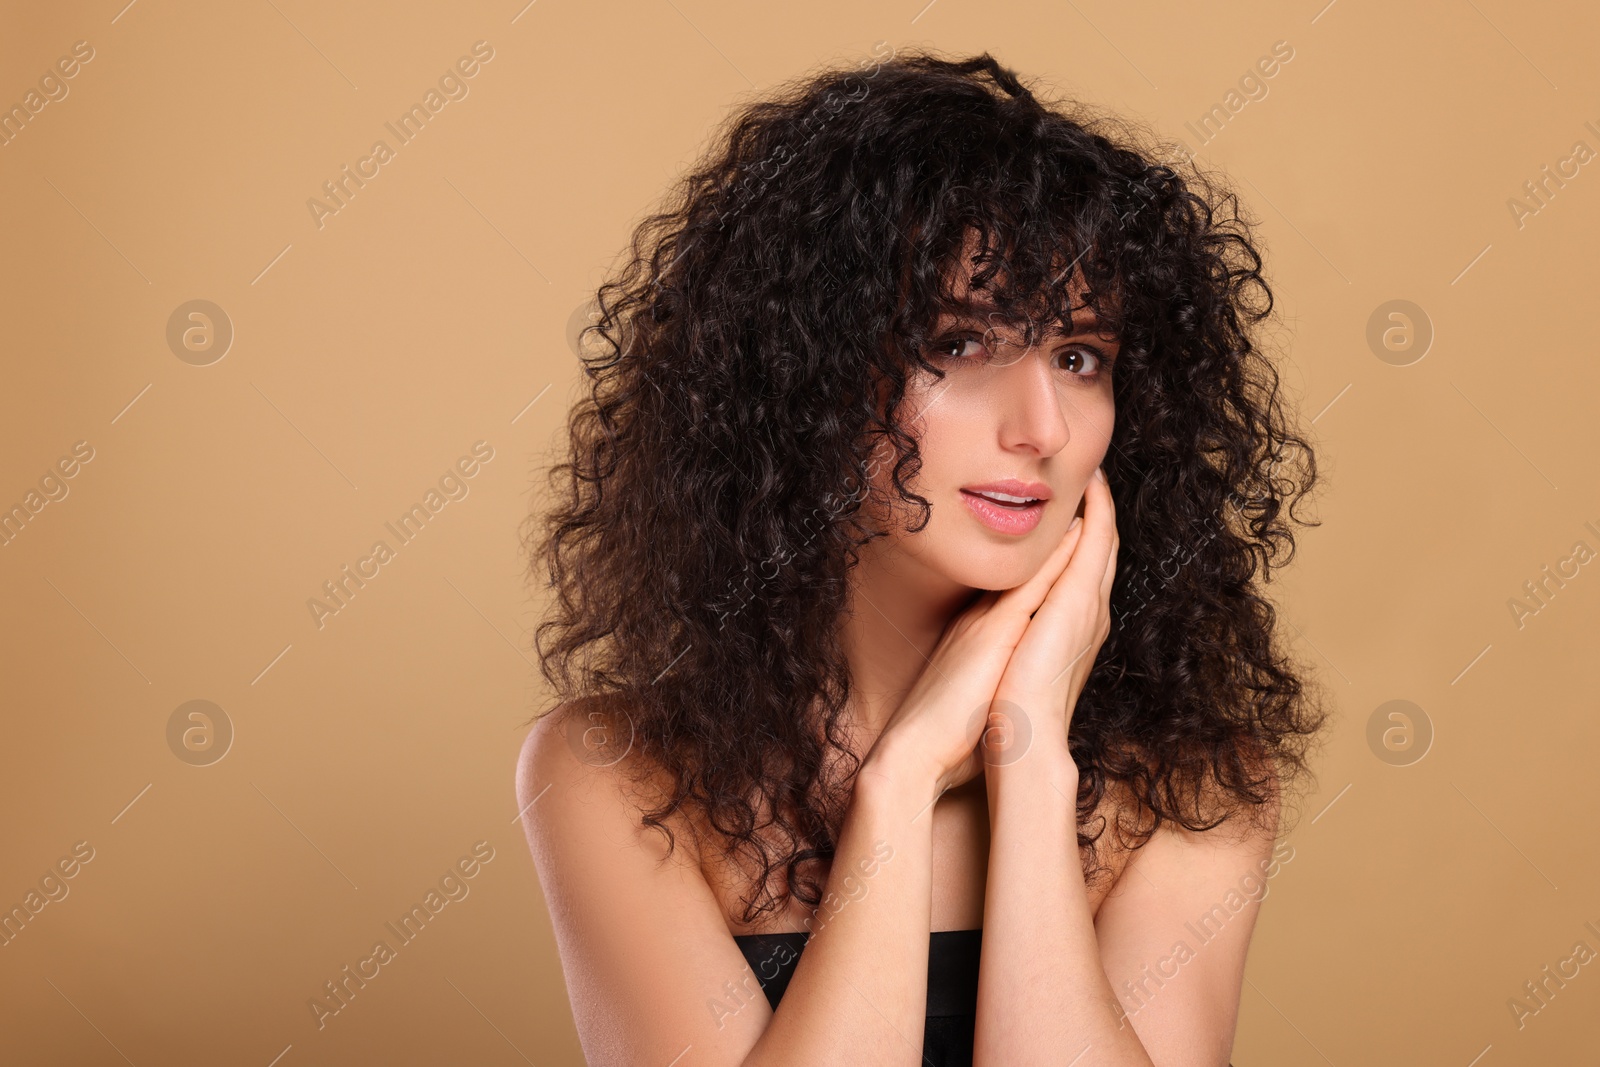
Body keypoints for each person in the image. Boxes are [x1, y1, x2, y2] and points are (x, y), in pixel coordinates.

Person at [515, 47, 1325, 1067]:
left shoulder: (1196, 787)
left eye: (1079, 358)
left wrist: (1027, 757)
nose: (1040, 427)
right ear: (806, 377)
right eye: (959, 342)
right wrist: (900, 781)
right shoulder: (616, 776)